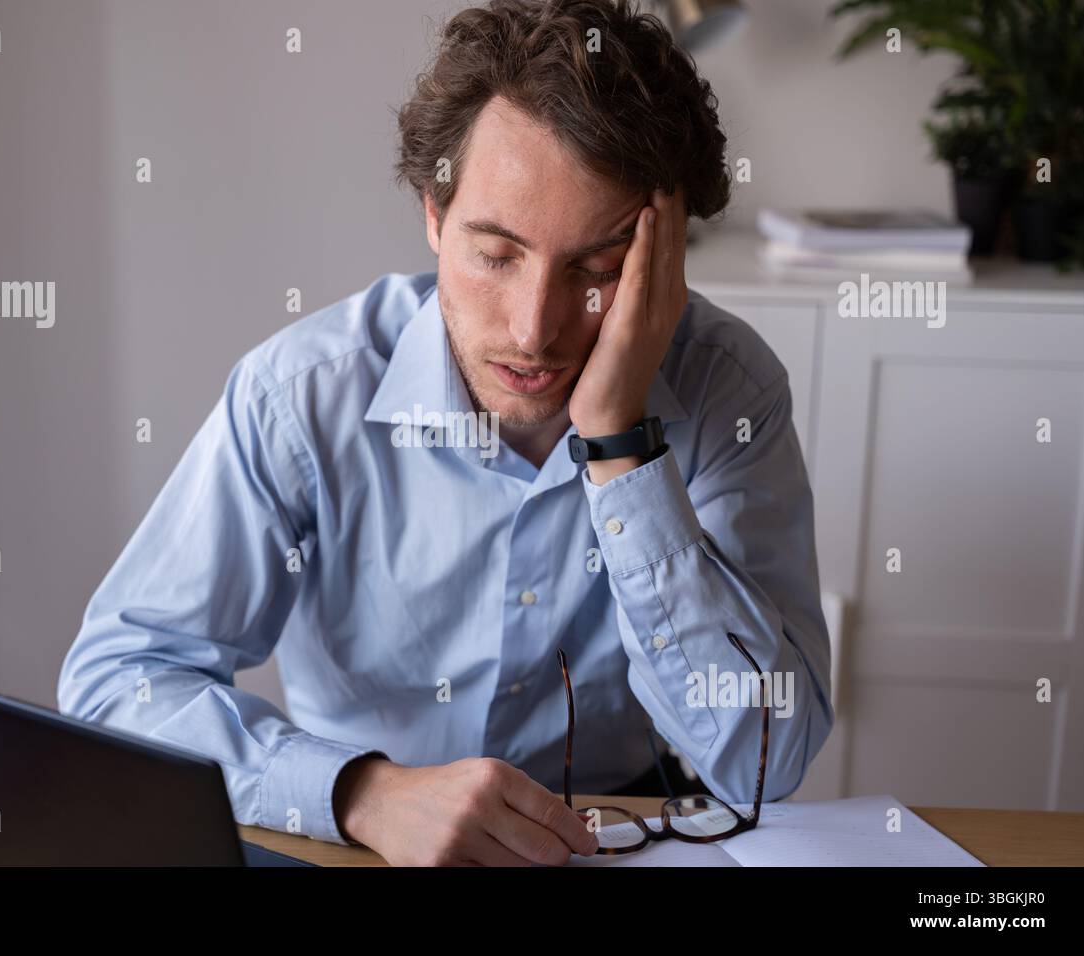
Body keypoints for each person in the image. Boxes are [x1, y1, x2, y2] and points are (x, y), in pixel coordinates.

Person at [58, 0, 832, 866]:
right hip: (352, 838)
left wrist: (621, 445)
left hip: (614, 840)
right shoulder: (300, 397)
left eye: (597, 270)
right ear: (434, 212)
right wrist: (360, 791)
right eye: (495, 254)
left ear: (666, 257)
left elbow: (767, 759)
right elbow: (116, 684)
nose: (534, 330)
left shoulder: (729, 389)